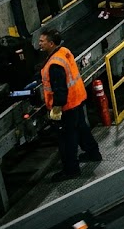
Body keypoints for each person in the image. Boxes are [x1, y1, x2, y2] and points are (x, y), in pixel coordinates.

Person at [39, 29, 102, 181]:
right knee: (81, 129)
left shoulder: (55, 65)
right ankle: (93, 154)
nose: (39, 43)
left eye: (42, 41)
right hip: (77, 99)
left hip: (66, 106)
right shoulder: (63, 51)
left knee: (67, 140)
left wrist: (56, 109)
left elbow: (60, 90)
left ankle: (71, 170)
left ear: (51, 43)